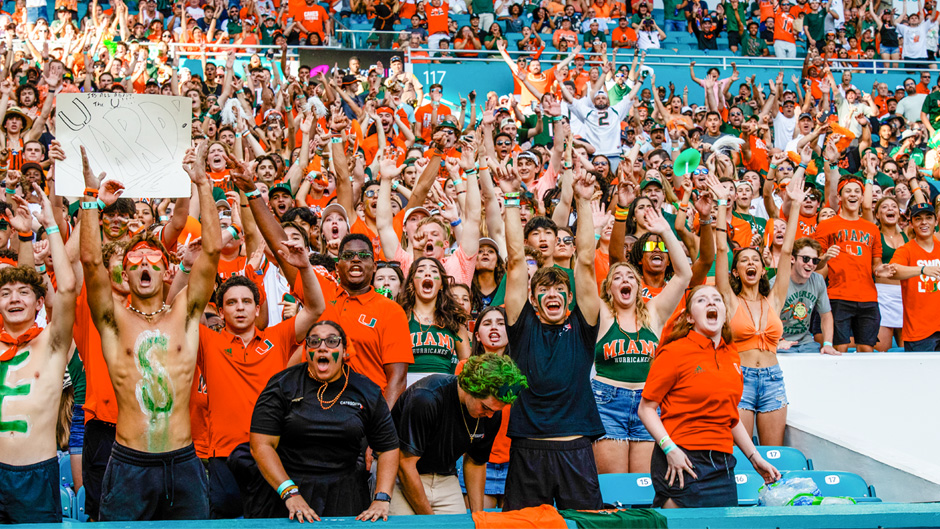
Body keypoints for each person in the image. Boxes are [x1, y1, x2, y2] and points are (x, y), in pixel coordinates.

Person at [80, 142, 220, 521]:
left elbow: (211, 250)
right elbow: (91, 261)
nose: (145, 264)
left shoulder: (186, 314)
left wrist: (202, 184)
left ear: (167, 270)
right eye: (135, 260)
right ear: (124, 274)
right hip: (129, 464)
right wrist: (92, 198)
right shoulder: (112, 320)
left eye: (154, 258)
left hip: (184, 463)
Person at [497, 155, 605, 511]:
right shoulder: (522, 324)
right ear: (531, 297)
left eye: (560, 289)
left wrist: (585, 202)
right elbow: (515, 259)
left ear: (571, 298)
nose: (552, 294)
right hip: (528, 449)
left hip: (575, 448)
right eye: (543, 290)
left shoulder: (583, 326)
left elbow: (586, 259)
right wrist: (511, 198)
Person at [198, 241, 326, 519]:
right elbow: (183, 311)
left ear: (258, 309)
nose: (240, 308)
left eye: (247, 302)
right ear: (220, 312)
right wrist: (193, 266)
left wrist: (304, 267)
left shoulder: (277, 338)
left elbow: (316, 309)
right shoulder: (208, 342)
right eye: (231, 303)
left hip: (273, 456)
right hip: (222, 456)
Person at [638, 285, 782, 508]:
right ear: (689, 317)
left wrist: (755, 458)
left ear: (725, 315)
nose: (711, 303)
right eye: (702, 300)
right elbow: (646, 409)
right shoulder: (674, 352)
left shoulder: (732, 356)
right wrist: (670, 448)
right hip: (681, 459)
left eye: (717, 299)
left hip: (722, 463)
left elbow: (731, 417)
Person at [249, 320, 400, 522]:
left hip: (345, 493)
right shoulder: (283, 385)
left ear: (345, 351)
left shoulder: (366, 390)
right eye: (314, 342)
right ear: (306, 351)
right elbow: (261, 445)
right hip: (287, 491)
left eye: (332, 341)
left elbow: (388, 447)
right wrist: (289, 492)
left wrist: (382, 498)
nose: (322, 347)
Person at [592, 206, 692, 475]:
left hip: (648, 403)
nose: (624, 280)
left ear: (638, 286)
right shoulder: (601, 313)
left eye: (629, 277)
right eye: (617, 277)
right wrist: (594, 232)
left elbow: (684, 275)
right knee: (615, 492)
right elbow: (581, 271)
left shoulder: (654, 313)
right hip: (606, 403)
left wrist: (666, 231)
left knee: (643, 486)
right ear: (609, 288)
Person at [713, 168, 805, 447]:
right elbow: (720, 251)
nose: (751, 263)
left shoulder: (774, 299)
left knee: (774, 454)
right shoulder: (729, 299)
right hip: (741, 379)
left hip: (773, 378)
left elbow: (788, 251)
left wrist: (796, 206)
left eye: (755, 260)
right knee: (742, 453)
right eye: (744, 261)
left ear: (764, 270)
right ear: (736, 271)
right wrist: (720, 204)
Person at [0, 189, 76, 523]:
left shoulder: (53, 344)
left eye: (23, 293)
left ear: (38, 302)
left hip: (36, 476)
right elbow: (25, 278)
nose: (14, 299)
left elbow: (68, 289)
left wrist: (50, 227)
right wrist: (24, 236)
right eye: (4, 293)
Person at [389, 353, 527, 515]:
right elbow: (405, 464)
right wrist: (430, 519)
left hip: (445, 476)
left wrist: (477, 516)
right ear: (470, 388)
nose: (490, 415)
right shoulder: (426, 398)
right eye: (485, 408)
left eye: (496, 410)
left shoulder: (493, 412)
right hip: (401, 473)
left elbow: (476, 462)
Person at [889, 169, 940, 351]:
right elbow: (894, 270)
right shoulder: (906, 250)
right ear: (911, 224)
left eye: (928, 218)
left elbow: (924, 206)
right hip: (919, 332)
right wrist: (922, 270)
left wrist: (913, 181)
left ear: (935, 222)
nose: (923, 222)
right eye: (918, 219)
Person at [399, 257, 471, 385]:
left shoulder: (454, 322)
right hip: (407, 389)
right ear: (412, 282)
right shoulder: (399, 317)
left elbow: (467, 367)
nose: (427, 273)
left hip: (443, 390)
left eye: (434, 271)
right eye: (421, 271)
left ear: (442, 284)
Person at [774, 238, 839, 355]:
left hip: (805, 342)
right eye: (805, 259)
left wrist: (828, 344)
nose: (810, 264)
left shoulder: (818, 280)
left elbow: (826, 315)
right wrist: (778, 341)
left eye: (815, 261)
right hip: (779, 342)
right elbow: (767, 319)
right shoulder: (777, 283)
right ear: (792, 259)